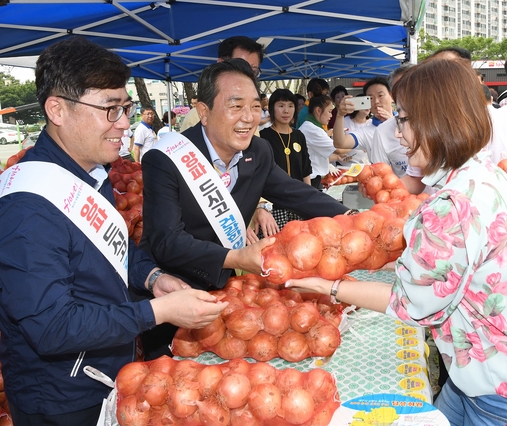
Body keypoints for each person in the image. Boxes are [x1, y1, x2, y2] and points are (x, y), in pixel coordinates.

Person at [287, 58, 507, 425]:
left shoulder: (452, 203)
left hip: (504, 401)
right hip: (494, 381)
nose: (398, 132)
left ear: (436, 120)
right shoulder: (484, 176)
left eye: (403, 118)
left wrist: (330, 286)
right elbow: (456, 267)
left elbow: (411, 304)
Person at [0, 36, 228, 426]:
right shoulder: (26, 209)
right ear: (57, 109)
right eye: (110, 109)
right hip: (60, 400)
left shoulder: (91, 171)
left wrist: (153, 278)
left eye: (125, 108)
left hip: (108, 373)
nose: (124, 123)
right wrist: (157, 312)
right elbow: (53, 326)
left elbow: (117, 248)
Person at [138, 59, 350, 359]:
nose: (248, 118)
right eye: (236, 106)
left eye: (254, 107)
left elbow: (297, 194)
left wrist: (350, 218)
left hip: (227, 299)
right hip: (171, 295)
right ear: (204, 111)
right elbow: (166, 241)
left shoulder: (258, 150)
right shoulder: (166, 159)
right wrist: (235, 257)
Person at [180, 36, 265, 133]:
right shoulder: (195, 117)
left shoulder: (253, 119)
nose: (248, 118)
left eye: (253, 71)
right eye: (238, 66)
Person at [257, 88, 312, 234]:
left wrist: (310, 198)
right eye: (281, 106)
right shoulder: (263, 137)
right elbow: (258, 175)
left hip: (299, 202)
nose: (286, 111)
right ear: (272, 108)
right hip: (274, 206)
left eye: (290, 106)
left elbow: (306, 169)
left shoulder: (299, 136)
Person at [298, 94, 351, 189]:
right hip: (311, 180)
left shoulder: (311, 127)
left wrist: (337, 157)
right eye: (329, 112)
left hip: (313, 178)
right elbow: (338, 148)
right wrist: (358, 144)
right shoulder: (313, 130)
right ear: (318, 111)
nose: (331, 115)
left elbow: (316, 156)